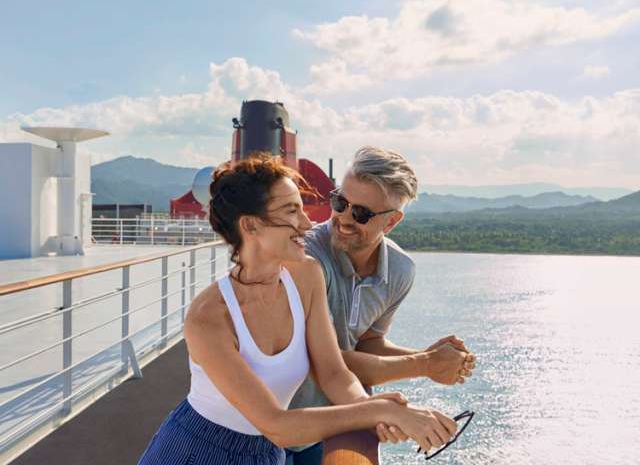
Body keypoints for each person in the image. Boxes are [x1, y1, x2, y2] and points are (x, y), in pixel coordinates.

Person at [138, 155, 458, 465]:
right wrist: (380, 410)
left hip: (267, 455)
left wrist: (374, 410)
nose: (308, 223)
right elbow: (275, 424)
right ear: (250, 226)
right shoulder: (209, 317)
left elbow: (334, 373)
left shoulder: (306, 275)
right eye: (292, 211)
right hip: (200, 452)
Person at [286, 146, 476, 464]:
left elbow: (367, 342)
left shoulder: (400, 270)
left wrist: (431, 360)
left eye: (360, 213)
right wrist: (426, 363)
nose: (344, 219)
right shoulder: (307, 259)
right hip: (278, 421)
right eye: (340, 203)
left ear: (391, 222)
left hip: (334, 417)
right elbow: (320, 360)